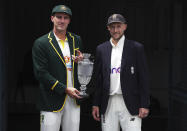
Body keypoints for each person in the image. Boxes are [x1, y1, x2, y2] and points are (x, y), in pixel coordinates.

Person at [92, 14, 150, 131]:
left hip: (130, 102)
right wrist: (95, 103)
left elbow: (143, 78)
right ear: (108, 28)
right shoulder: (101, 49)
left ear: (125, 27)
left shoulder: (136, 48)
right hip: (108, 102)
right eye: (112, 27)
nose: (115, 30)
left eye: (118, 26)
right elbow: (99, 79)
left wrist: (144, 104)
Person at [32, 5, 83, 131]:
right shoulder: (41, 43)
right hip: (50, 99)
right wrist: (64, 89)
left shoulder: (76, 40)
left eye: (65, 18)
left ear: (69, 21)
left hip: (73, 99)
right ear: (52, 18)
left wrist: (82, 61)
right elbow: (41, 73)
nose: (62, 20)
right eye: (59, 17)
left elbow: (81, 67)